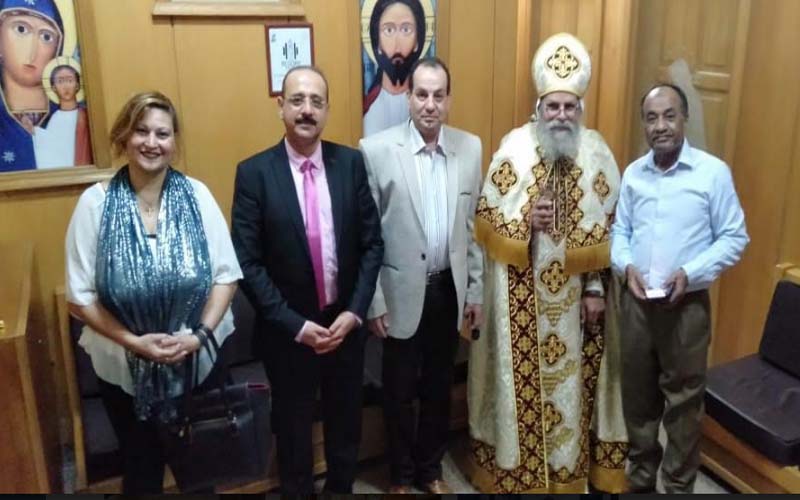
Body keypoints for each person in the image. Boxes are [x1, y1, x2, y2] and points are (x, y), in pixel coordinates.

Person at [468, 33, 628, 493]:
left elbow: (611, 228)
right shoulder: (514, 148)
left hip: (578, 306)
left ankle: (568, 474)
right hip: (522, 301)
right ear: (538, 107)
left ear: (580, 108)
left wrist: (595, 289)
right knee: (522, 390)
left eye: (569, 107)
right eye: (552, 106)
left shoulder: (596, 153)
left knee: (577, 388)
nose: (561, 115)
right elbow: (487, 219)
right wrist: (525, 221)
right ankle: (523, 475)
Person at [65, 91, 242, 493]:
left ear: (174, 141)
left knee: (201, 475)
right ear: (123, 136)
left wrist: (198, 336)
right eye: (141, 131)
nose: (151, 142)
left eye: (162, 133)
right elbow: (79, 297)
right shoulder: (94, 205)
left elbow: (226, 276)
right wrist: (135, 343)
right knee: (142, 474)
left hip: (197, 361)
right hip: (123, 367)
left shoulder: (198, 197)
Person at [231, 66, 383, 494]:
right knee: (294, 432)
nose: (307, 110)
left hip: (344, 328)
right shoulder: (255, 173)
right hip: (288, 334)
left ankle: (340, 490)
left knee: (345, 425)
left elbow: (373, 244)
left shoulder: (350, 164)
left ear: (327, 110)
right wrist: (296, 326)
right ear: (281, 106)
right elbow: (247, 262)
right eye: (297, 100)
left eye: (317, 101)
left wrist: (355, 312)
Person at [611, 83, 749, 494]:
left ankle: (677, 486)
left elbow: (734, 237)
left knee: (685, 408)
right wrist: (626, 266)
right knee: (638, 404)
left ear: (684, 118)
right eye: (651, 118)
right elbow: (621, 231)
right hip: (637, 306)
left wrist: (691, 271)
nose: (661, 126)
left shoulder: (712, 173)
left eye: (669, 116)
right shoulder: (634, 173)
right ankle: (640, 483)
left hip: (686, 309)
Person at [359, 57, 484, 494]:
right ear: (409, 97)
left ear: (449, 100)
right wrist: (374, 301)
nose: (430, 105)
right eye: (422, 94)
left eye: (438, 95)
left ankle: (430, 471)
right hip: (398, 293)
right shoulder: (375, 150)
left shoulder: (470, 148)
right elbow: (368, 237)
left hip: (448, 289)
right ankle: (400, 475)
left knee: (437, 387)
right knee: (397, 392)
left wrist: (476, 291)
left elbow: (473, 229)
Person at [0, 0, 63, 171]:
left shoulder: (69, 116)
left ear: (57, 49)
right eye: (21, 29)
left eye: (46, 37)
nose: (32, 50)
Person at [362, 0, 426, 137]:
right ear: (378, 43)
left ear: (417, 41)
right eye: (389, 30)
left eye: (406, 30)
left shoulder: (426, 105)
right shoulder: (367, 107)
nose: (397, 45)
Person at [33, 62, 93, 168]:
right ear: (53, 87)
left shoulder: (86, 116)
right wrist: (34, 132)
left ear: (77, 85)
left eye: (70, 80)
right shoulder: (54, 118)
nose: (66, 86)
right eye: (60, 81)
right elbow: (52, 149)